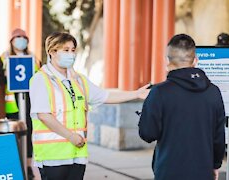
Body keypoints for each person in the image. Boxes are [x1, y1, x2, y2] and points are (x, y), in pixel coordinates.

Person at [29, 32, 150, 180]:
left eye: (73, 50)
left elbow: (105, 96)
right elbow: (43, 115)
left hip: (77, 154)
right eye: (65, 50)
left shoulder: (79, 80)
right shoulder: (40, 79)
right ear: (52, 52)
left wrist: (136, 94)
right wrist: (70, 136)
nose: (71, 54)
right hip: (53, 156)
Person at [138, 34, 226, 180]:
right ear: (195, 61)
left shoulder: (159, 92)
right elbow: (218, 136)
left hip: (168, 171)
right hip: (203, 172)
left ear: (167, 61)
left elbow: (147, 134)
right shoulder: (213, 91)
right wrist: (215, 165)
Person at [0, 28, 40, 180]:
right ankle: (13, 166)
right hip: (13, 104)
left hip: (30, 103)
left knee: (28, 135)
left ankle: (28, 167)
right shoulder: (5, 56)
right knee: (13, 137)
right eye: (17, 37)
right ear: (11, 41)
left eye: (23, 37)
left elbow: (41, 76)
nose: (20, 40)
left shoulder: (33, 57)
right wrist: (7, 76)